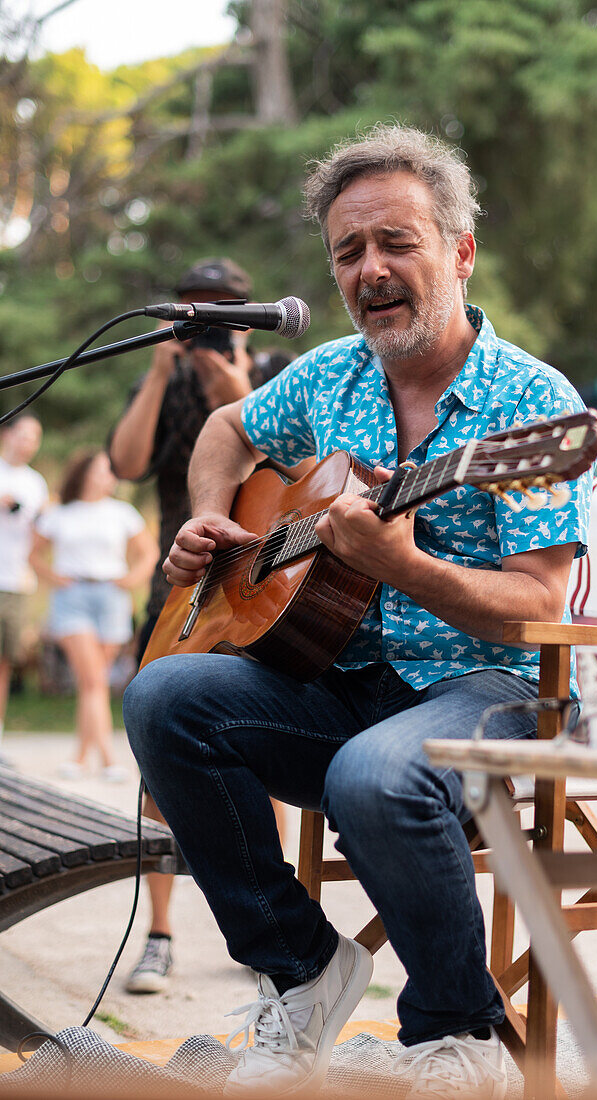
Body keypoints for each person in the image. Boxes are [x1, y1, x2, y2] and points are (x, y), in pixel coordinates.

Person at [123, 124, 592, 1099]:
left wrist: (402, 565)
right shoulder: (327, 375)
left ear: (460, 252)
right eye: (348, 251)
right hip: (334, 676)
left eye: (397, 241)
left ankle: (458, 1027)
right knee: (165, 693)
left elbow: (538, 606)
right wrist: (213, 514)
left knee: (370, 773)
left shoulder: (530, 406)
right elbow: (224, 426)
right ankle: (302, 969)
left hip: (490, 684)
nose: (370, 267)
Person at [109, 259, 297, 994]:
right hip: (183, 584)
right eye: (200, 311)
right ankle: (159, 932)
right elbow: (124, 462)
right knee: (160, 755)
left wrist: (237, 390)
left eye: (225, 310)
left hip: (262, 586)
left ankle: (276, 928)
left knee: (266, 749)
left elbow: (302, 471)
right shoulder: (163, 375)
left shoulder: (278, 368)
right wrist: (158, 372)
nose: (212, 324)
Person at [30, 450, 157, 780]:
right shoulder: (60, 513)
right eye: (105, 469)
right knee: (93, 680)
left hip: (111, 597)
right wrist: (54, 578)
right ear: (85, 473)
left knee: (94, 683)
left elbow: (149, 553)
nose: (111, 476)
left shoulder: (122, 513)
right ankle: (108, 759)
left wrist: (131, 580)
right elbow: (34, 554)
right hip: (73, 598)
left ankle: (80, 756)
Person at [0, 415, 48, 755]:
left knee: (4, 660)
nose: (28, 442)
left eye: (36, 437)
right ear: (7, 434)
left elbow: (41, 534)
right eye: (23, 435)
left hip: (15, 581)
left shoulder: (36, 483)